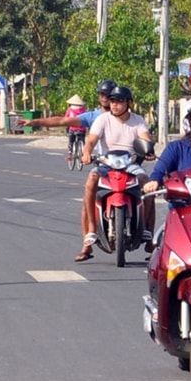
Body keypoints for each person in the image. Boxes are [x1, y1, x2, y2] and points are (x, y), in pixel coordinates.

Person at [75, 84, 151, 261]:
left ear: (129, 103)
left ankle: (147, 231)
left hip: (130, 164)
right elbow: (91, 140)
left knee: (147, 183)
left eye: (119, 101)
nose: (115, 105)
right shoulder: (103, 119)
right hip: (106, 163)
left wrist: (148, 149)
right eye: (112, 101)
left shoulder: (138, 120)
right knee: (91, 179)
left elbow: (145, 137)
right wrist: (86, 153)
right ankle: (89, 237)